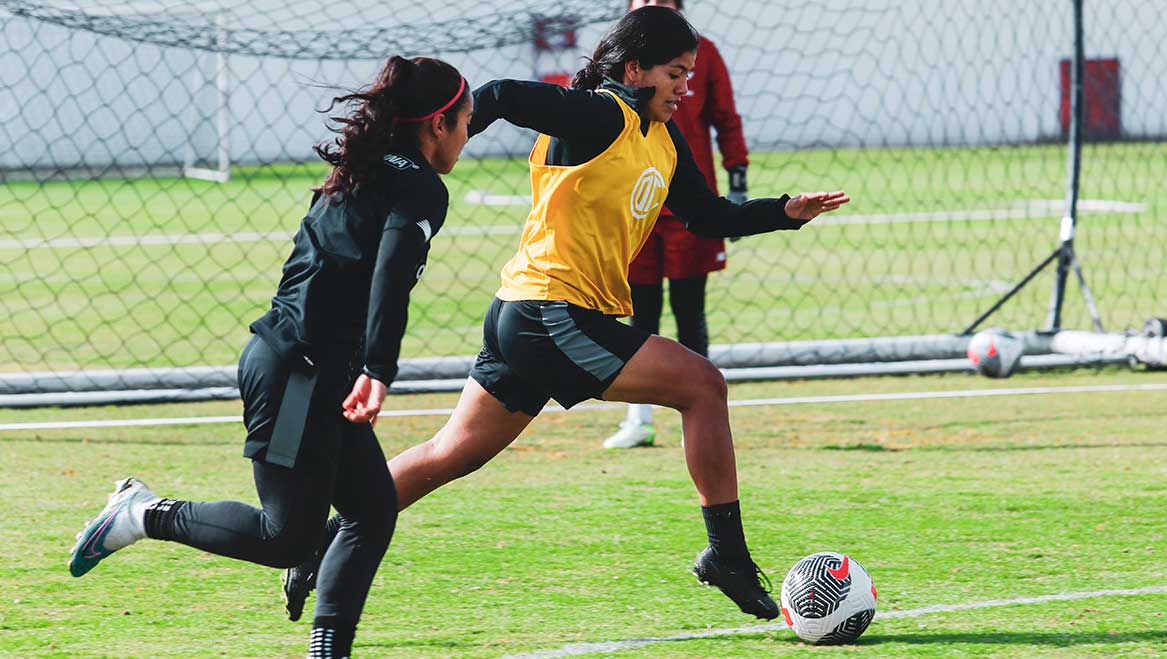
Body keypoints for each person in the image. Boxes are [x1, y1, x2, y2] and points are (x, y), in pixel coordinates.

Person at [284, 6, 848, 624]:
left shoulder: (660, 134)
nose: (686, 86)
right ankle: (729, 558)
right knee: (703, 386)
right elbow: (496, 95)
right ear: (634, 69)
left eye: (690, 74)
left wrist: (783, 211)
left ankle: (323, 541)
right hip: (550, 312)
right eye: (676, 73)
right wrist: (423, 160)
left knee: (452, 453)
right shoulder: (602, 112)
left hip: (527, 315)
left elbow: (708, 216)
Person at [68, 56, 474, 659]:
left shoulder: (365, 166)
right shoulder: (419, 186)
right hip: (299, 374)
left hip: (312, 368)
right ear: (439, 124)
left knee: (371, 507)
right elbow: (390, 279)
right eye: (468, 122)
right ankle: (142, 514)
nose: (470, 136)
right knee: (287, 538)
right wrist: (380, 368)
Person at [605, 0, 750, 449]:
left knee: (690, 312)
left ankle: (704, 412)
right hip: (637, 207)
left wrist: (738, 177)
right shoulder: (619, 60)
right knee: (639, 313)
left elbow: (725, 118)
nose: (655, 5)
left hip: (689, 207)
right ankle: (639, 418)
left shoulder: (702, 54)